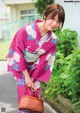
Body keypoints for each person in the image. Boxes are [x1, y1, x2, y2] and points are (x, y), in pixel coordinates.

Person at [6, 3, 65, 113]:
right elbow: (17, 53)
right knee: (24, 93)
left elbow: (45, 60)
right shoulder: (25, 31)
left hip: (35, 70)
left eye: (58, 21)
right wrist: (27, 78)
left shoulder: (53, 39)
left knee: (34, 94)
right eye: (52, 19)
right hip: (21, 68)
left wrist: (33, 78)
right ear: (45, 16)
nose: (54, 24)